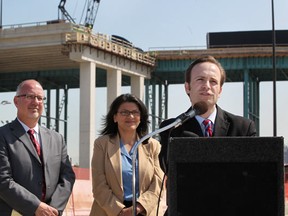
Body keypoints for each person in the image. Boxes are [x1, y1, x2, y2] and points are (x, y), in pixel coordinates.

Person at [159, 55, 257, 173]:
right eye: (200, 79)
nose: (207, 86)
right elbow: (168, 169)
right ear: (187, 87)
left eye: (213, 81)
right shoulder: (171, 129)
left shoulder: (243, 128)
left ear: (220, 90)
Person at [0, 79, 75, 216]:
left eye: (40, 98)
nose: (36, 102)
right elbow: (3, 180)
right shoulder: (3, 136)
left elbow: (67, 177)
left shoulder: (57, 139)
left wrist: (52, 210)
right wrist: (36, 207)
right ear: (16, 101)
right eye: (29, 96)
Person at [89, 93, 165, 216]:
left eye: (135, 112)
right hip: (109, 212)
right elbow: (99, 185)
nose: (130, 116)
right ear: (115, 117)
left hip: (145, 211)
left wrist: (138, 208)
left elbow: (158, 183)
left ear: (141, 118)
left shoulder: (153, 145)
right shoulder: (102, 144)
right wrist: (119, 211)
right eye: (124, 112)